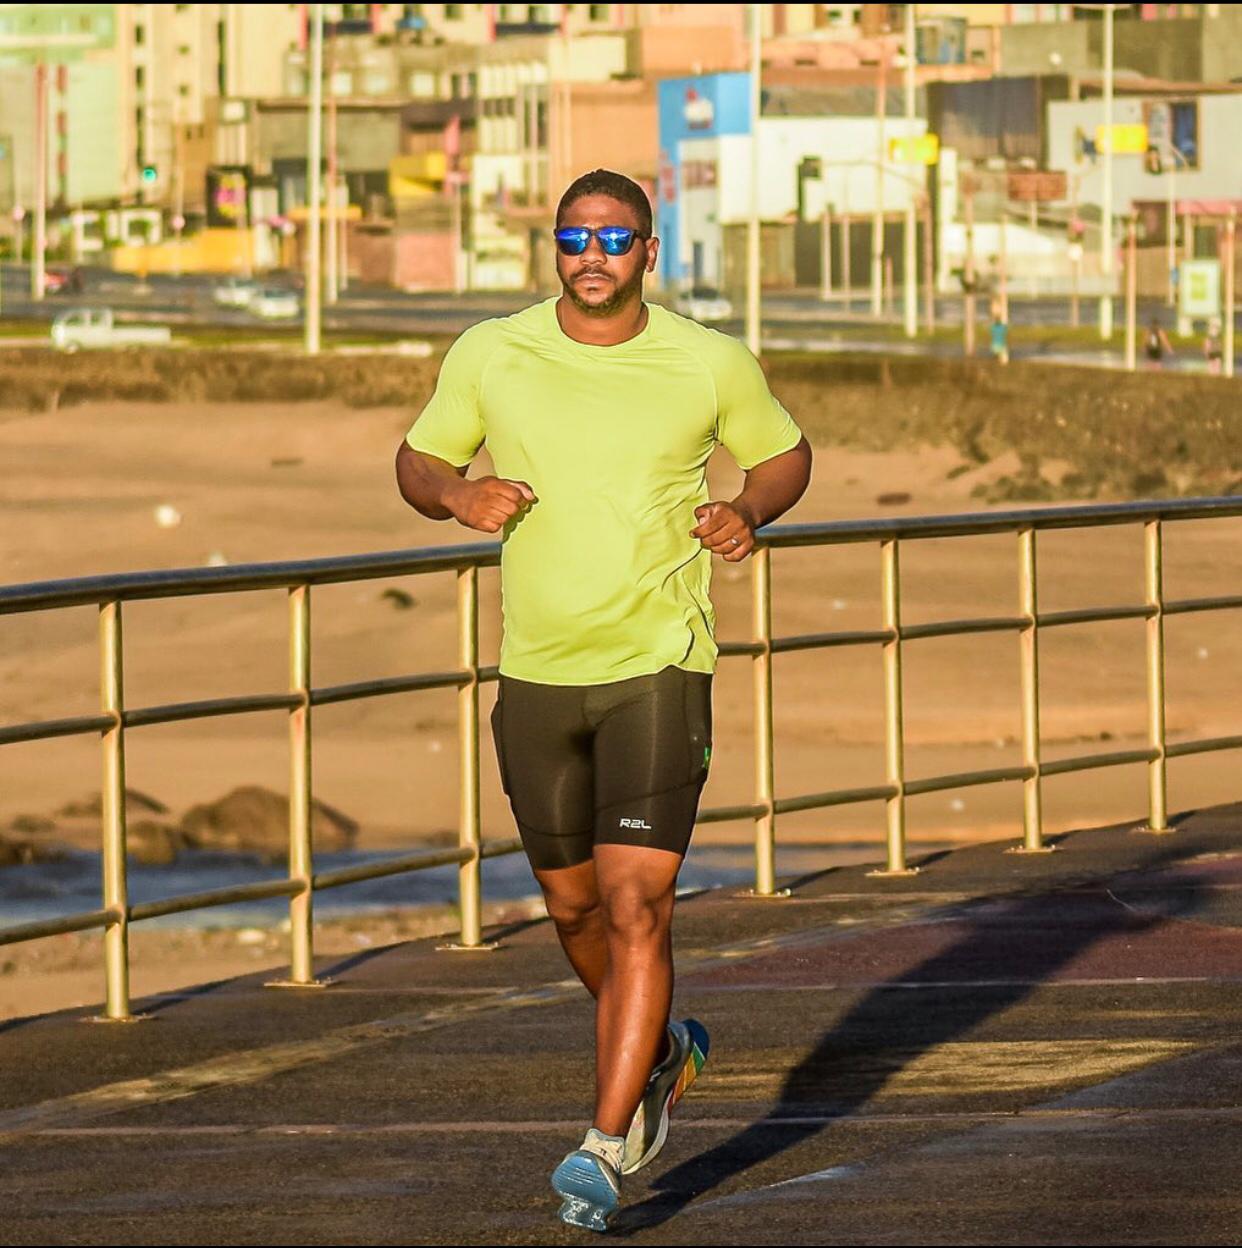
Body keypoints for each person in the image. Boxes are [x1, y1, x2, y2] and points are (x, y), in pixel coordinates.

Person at [394, 168, 812, 1231]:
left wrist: (745, 509)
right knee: (575, 909)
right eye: (574, 236)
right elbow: (418, 456)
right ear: (554, 247)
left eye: (614, 238)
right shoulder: (492, 349)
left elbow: (785, 454)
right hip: (536, 672)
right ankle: (664, 1051)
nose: (592, 254)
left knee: (637, 907)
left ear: (649, 250)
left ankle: (601, 1143)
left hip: (659, 667)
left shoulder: (706, 360)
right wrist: (457, 494)